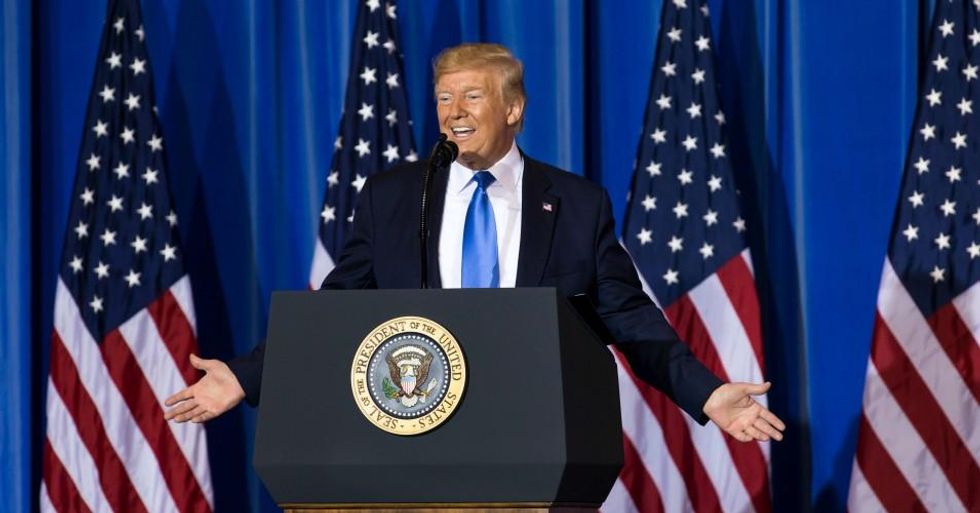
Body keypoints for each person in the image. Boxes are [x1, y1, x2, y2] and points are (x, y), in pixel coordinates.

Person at [165, 43, 785, 443]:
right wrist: (248, 376)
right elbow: (335, 311)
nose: (453, 111)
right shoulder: (393, 197)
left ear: (513, 108)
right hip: (413, 434)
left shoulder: (575, 204)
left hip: (532, 436)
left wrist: (708, 394)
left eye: (471, 95)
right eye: (443, 97)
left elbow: (628, 317)